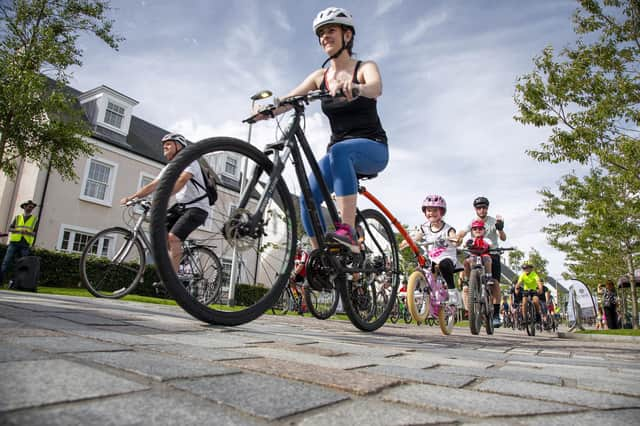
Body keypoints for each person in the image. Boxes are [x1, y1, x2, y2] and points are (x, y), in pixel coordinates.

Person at [255, 7, 388, 253]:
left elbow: (375, 87)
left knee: (339, 151)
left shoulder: (364, 67)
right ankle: (320, 258)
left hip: (373, 147)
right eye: (321, 33)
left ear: (347, 36)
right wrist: (267, 111)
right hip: (339, 153)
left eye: (331, 30)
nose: (325, 36)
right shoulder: (321, 76)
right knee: (308, 196)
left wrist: (357, 88)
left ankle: (347, 230)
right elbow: (290, 98)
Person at [120, 133, 209, 272]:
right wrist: (132, 197)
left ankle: (173, 278)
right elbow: (153, 185)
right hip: (181, 207)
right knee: (161, 236)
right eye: (163, 145)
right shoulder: (170, 167)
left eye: (168, 144)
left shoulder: (190, 161)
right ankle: (177, 259)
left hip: (198, 208)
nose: (164, 147)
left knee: (173, 237)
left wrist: (163, 197)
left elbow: (182, 180)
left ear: (178, 146)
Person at [457, 196, 506, 327]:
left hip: (492, 252)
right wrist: (458, 238)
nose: (482, 210)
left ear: (487, 208)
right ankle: (470, 281)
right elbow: (462, 232)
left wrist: (500, 229)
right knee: (467, 261)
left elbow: (503, 238)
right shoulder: (473, 222)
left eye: (484, 207)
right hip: (475, 252)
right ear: (475, 209)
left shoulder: (493, 221)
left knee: (495, 283)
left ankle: (496, 314)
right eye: (479, 208)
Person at [400, 195, 458, 291]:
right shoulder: (425, 227)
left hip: (447, 259)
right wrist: (406, 241)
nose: (431, 213)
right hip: (432, 259)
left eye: (435, 210)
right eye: (429, 210)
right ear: (425, 212)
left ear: (442, 212)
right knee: (419, 271)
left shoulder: (448, 229)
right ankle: (423, 297)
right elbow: (416, 237)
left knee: (444, 264)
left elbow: (454, 238)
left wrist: (455, 239)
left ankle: (452, 291)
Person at [1, 200, 38, 285]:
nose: (31, 208)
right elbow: (10, 229)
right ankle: (1, 281)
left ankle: (16, 283)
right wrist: (19, 230)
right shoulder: (17, 218)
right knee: (6, 262)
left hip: (25, 244)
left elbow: (34, 232)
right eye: (29, 206)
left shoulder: (34, 219)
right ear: (24, 207)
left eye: (32, 207)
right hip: (14, 243)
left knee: (22, 264)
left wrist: (28, 232)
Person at [516, 262, 544, 327]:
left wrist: (540, 289)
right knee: (524, 303)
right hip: (526, 290)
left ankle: (538, 315)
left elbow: (538, 282)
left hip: (533, 290)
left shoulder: (534, 274)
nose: (525, 269)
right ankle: (524, 318)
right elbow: (519, 283)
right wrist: (516, 288)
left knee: (536, 301)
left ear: (530, 268)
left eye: (527, 268)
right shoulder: (522, 275)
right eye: (524, 268)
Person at [290, 244, 309, 314]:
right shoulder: (294, 255)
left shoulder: (303, 254)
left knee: (304, 288)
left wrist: (294, 273)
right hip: (299, 274)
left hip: (306, 274)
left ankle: (304, 307)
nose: (295, 250)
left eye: (296, 248)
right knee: (291, 282)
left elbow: (301, 265)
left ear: (299, 248)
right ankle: (297, 298)